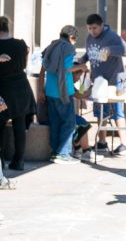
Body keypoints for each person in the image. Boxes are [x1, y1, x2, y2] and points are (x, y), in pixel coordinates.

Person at [78, 13, 126, 155]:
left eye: (95, 28)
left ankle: (125, 144)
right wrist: (82, 59)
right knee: (100, 110)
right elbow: (90, 53)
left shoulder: (112, 36)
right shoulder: (89, 37)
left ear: (102, 25)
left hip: (117, 78)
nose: (92, 31)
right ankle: (102, 142)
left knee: (117, 110)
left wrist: (111, 50)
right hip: (99, 81)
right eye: (89, 28)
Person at [41, 25, 88, 164]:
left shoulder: (51, 46)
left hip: (50, 90)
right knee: (69, 123)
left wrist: (40, 91)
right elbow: (66, 68)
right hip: (63, 92)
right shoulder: (68, 47)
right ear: (71, 38)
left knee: (55, 122)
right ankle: (64, 154)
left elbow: (44, 68)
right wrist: (81, 67)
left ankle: (55, 153)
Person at [0, 16, 35, 172]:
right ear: (8, 27)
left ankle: (0, 163)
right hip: (21, 87)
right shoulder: (21, 45)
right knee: (19, 125)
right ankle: (18, 161)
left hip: (3, 88)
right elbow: (25, 64)